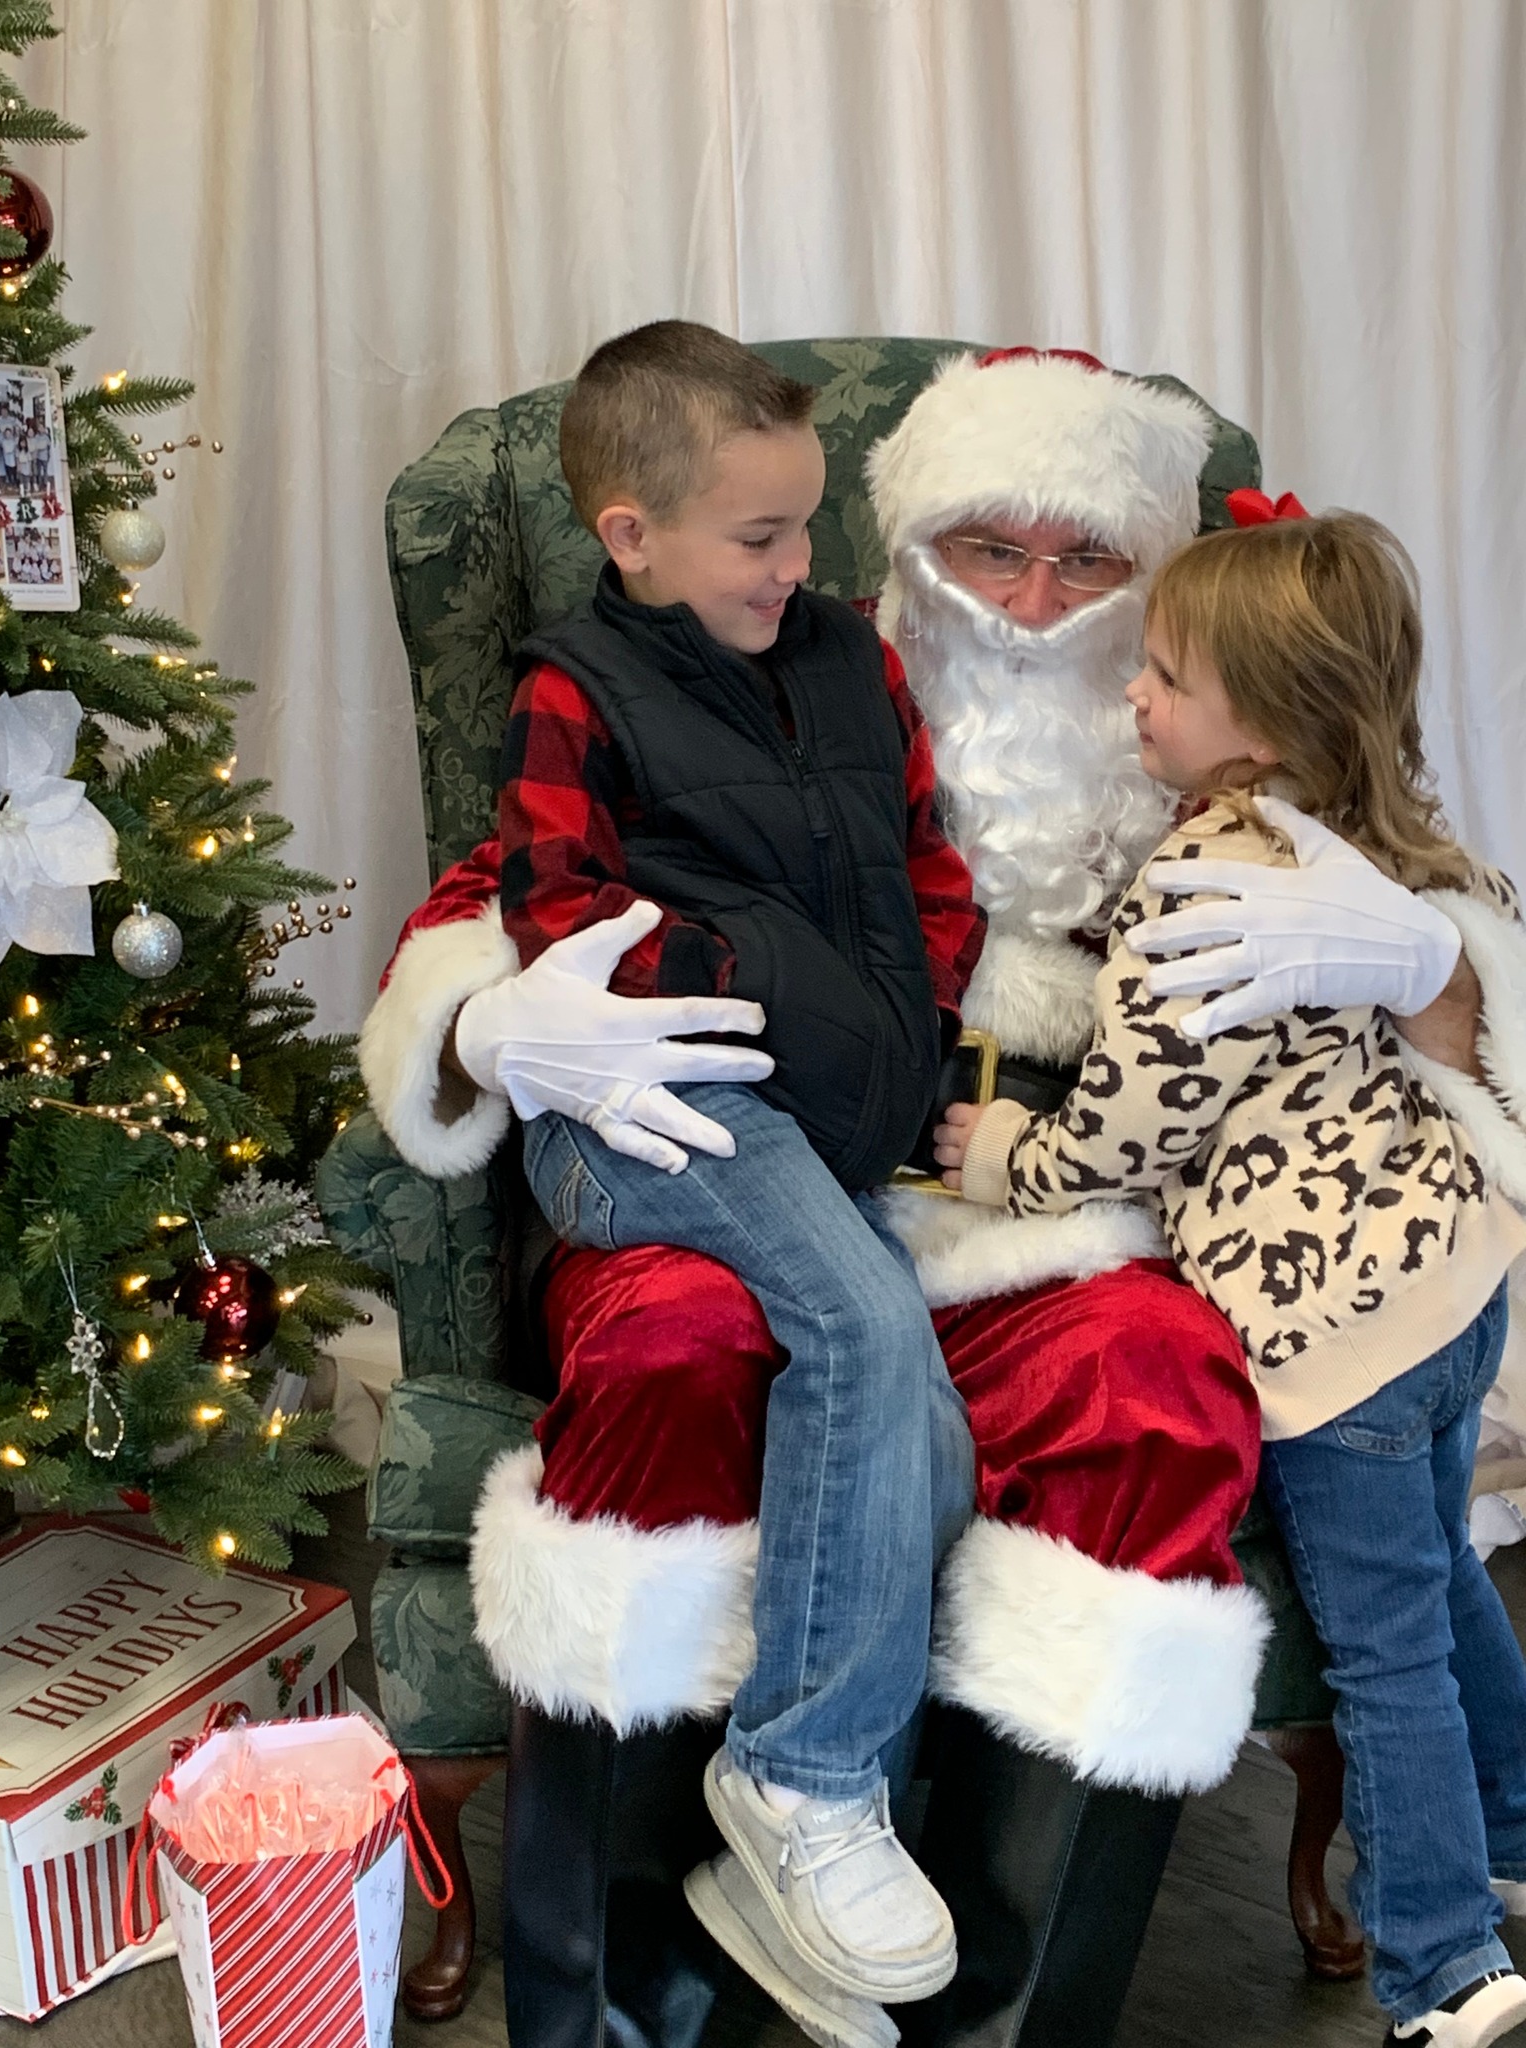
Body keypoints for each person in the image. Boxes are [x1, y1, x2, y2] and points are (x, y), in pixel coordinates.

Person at [359, 347, 1490, 2048]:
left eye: (1088, 560)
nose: (1034, 606)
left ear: (1158, 576)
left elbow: (1442, 957)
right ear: (912, 553)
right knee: (678, 1348)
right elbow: (520, 883)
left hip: (1061, 1212)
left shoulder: (1234, 744)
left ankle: (1003, 2005)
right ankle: (647, 1992)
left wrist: (1432, 968)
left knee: (1157, 1385)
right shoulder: (779, 667)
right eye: (990, 551)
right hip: (738, 1155)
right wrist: (481, 1026)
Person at [935, 505, 1526, 2048]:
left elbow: (1133, 1126)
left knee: (1382, 1643)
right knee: (1439, 1570)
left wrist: (1006, 1153)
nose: (1134, 695)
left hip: (1334, 1338)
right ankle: (1521, 1825)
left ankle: (1445, 1964)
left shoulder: (1202, 881)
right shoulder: (1396, 834)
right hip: (1459, 1281)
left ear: (1258, 719)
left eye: (1165, 676)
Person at [485, 318, 983, 2016]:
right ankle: (801, 1782)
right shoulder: (573, 687)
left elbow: (924, 874)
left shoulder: (852, 661)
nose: (797, 566)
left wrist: (904, 1034)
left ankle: (785, 1894)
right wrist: (761, 987)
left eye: (808, 526)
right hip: (653, 1111)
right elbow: (562, 919)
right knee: (861, 1327)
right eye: (760, 536)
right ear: (632, 535)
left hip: (822, 1116)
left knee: (929, 1432)